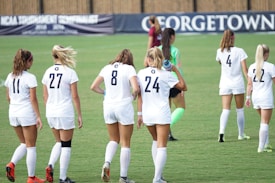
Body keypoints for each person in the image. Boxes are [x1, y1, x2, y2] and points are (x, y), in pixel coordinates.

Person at [137, 47, 187, 183]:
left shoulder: (141, 73)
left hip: (147, 114)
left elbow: (138, 93)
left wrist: (139, 114)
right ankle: (157, 178)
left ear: (148, 59)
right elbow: (183, 87)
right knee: (162, 145)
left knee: (155, 141)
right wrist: (175, 69)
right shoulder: (166, 74)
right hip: (161, 113)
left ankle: (158, 175)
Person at [90, 49, 139, 183]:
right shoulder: (129, 69)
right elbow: (136, 88)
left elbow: (93, 86)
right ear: (129, 60)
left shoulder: (107, 68)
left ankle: (107, 163)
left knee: (113, 139)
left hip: (108, 106)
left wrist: (105, 93)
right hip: (123, 106)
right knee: (125, 143)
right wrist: (133, 97)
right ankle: (123, 177)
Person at [42, 45, 83, 183]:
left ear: (54, 57)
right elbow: (75, 96)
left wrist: (50, 109)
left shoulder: (47, 72)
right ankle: (63, 178)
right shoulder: (70, 72)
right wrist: (79, 115)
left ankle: (50, 165)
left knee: (58, 142)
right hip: (64, 111)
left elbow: (45, 96)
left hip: (51, 112)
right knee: (66, 144)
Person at [5, 49, 45, 183]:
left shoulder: (10, 76)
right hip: (26, 114)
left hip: (13, 113)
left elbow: (8, 98)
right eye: (31, 60)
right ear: (27, 61)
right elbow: (33, 99)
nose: (32, 63)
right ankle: (31, 178)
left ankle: (11, 164)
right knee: (31, 146)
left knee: (24, 143)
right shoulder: (30, 77)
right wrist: (38, 117)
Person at [216, 29, 250, 142]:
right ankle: (240, 134)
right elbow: (245, 69)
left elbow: (220, 62)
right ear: (233, 37)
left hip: (225, 83)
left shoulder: (219, 51)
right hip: (237, 82)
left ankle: (221, 133)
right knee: (239, 110)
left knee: (225, 109)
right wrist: (250, 81)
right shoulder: (239, 51)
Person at [245, 44, 275, 153]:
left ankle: (266, 144)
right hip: (266, 97)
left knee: (263, 121)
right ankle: (261, 148)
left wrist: (247, 98)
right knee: (265, 122)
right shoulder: (270, 66)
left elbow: (249, 84)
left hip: (255, 97)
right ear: (266, 54)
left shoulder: (252, 66)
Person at [160, 28, 186, 141]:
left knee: (166, 109)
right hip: (173, 82)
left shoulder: (156, 50)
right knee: (181, 107)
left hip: (161, 82)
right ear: (171, 37)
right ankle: (166, 127)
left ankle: (167, 134)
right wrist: (182, 85)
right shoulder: (175, 51)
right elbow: (178, 68)